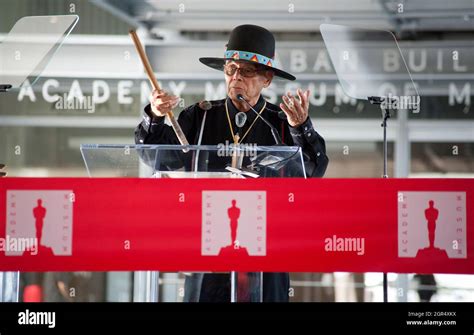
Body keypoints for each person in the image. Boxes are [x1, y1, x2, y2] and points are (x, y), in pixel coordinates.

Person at [135, 24, 329, 302]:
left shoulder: (281, 122)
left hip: (266, 249)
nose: (236, 77)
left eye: (247, 71)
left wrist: (301, 127)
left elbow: (314, 170)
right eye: (230, 69)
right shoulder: (200, 116)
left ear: (267, 78)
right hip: (208, 247)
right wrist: (154, 114)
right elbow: (155, 155)